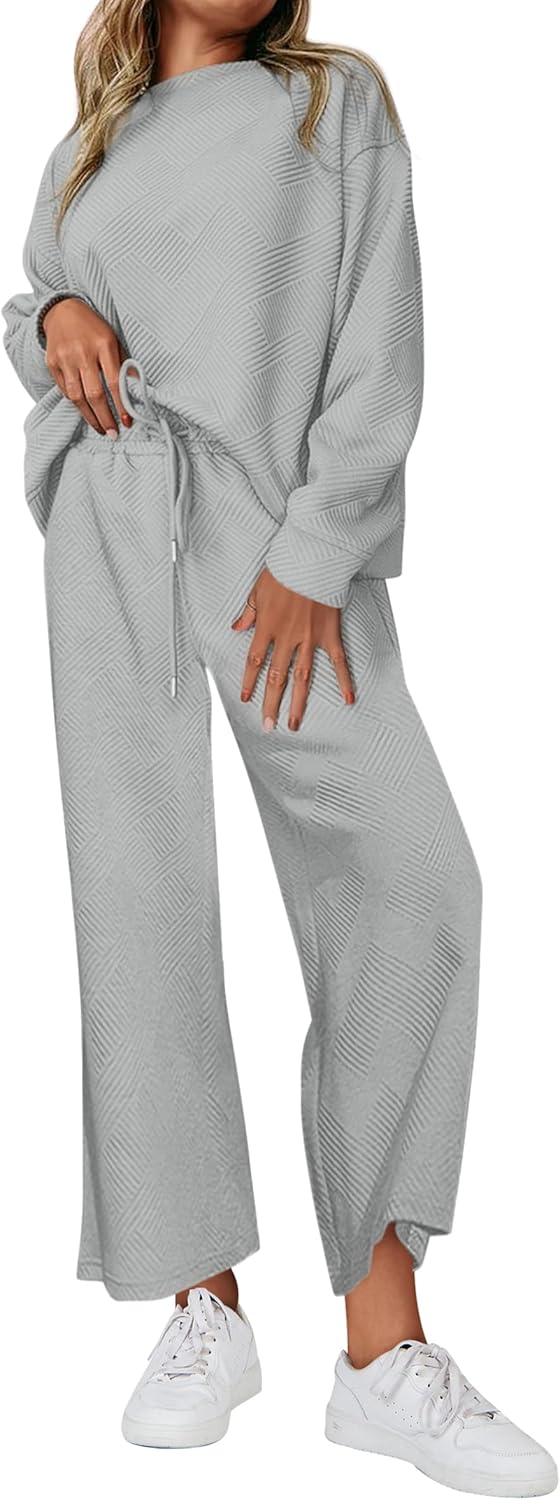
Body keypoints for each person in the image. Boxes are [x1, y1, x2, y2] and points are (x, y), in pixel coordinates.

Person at [3, 1, 556, 1491]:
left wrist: (317, 551)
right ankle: (204, 1307)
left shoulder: (334, 106)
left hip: (277, 549)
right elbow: (44, 301)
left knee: (414, 881)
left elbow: (382, 335)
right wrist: (46, 323)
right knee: (139, 904)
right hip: (114, 525)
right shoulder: (85, 148)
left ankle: (381, 1352)